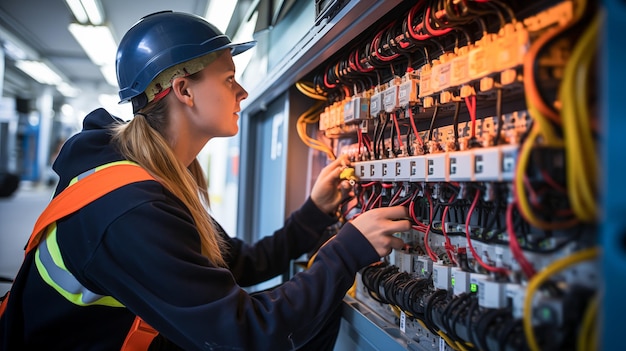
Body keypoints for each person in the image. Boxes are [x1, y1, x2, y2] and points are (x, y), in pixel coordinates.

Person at [0, 11, 411, 351]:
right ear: (184, 90)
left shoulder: (149, 177)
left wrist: (314, 213)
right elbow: (245, 335)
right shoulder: (130, 208)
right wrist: (348, 250)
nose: (243, 92)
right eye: (229, 79)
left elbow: (237, 263)